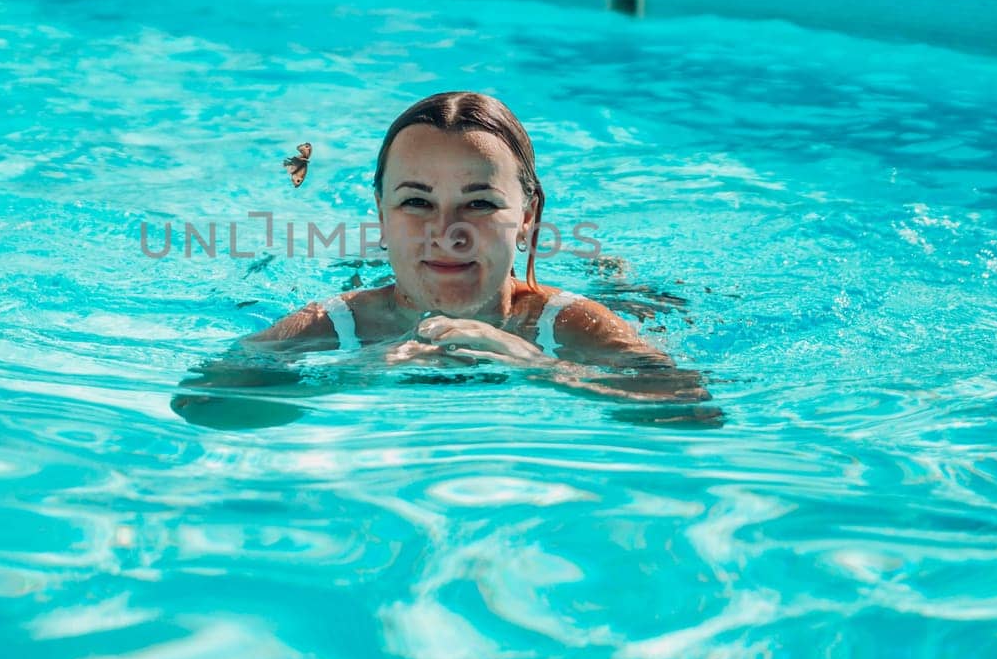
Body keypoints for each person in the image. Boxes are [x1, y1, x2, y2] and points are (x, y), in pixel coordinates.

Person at [172, 91, 711, 426]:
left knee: (643, 304)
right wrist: (350, 376)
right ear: (381, 216)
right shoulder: (335, 323)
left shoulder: (567, 323)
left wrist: (543, 368)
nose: (446, 232)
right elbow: (200, 404)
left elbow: (692, 410)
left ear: (526, 217)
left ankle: (617, 280)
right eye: (416, 203)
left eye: (478, 203)